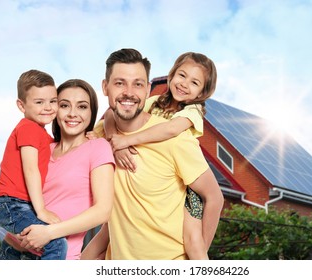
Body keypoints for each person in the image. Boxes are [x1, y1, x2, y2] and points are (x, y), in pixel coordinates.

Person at [81, 48, 224, 260]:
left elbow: (170, 130)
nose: (184, 84)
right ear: (172, 74)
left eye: (195, 83)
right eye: (182, 76)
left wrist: (126, 141)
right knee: (108, 229)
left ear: (202, 93)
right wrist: (114, 141)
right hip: (126, 225)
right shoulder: (153, 101)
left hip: (187, 186)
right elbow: (115, 112)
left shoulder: (189, 117)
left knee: (194, 242)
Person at [0, 79, 115, 260]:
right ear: (55, 109)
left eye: (82, 107)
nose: (73, 114)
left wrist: (49, 233)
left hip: (56, 255)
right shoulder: (40, 147)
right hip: (12, 251)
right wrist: (21, 230)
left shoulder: (97, 147)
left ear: (91, 112)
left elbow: (103, 210)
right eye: (64, 105)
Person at [0, 69, 67, 260]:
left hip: (14, 204)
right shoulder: (29, 128)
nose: (48, 107)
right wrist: (41, 211)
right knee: (56, 243)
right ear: (21, 105)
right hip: (12, 204)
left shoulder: (42, 135)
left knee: (28, 247)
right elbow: (30, 169)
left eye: (53, 101)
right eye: (39, 102)